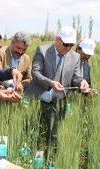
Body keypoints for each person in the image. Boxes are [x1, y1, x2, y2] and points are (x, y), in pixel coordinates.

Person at [25, 26, 89, 154]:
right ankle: (29, 155)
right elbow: (36, 72)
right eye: (65, 44)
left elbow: (76, 77)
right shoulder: (42, 50)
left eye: (71, 45)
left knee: (53, 133)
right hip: (38, 97)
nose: (67, 48)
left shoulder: (75, 57)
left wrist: (82, 82)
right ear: (57, 39)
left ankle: (49, 159)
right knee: (30, 130)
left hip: (57, 101)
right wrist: (50, 83)